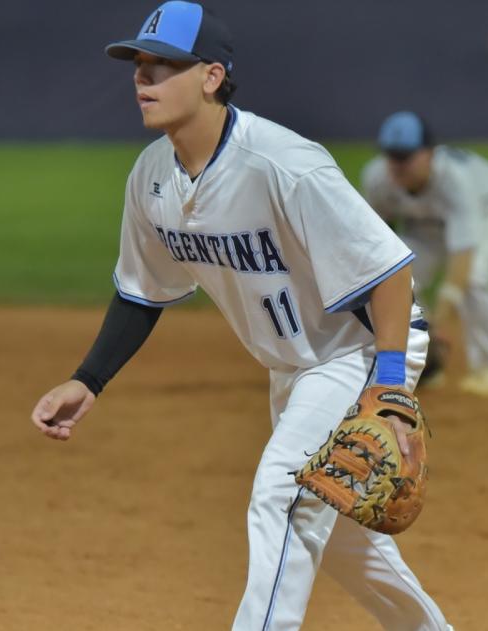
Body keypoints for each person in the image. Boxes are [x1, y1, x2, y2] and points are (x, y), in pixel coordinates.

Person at [28, 4, 452, 629]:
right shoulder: (151, 178)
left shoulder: (284, 164)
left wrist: (388, 383)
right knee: (334, 535)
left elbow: (388, 271)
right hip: (295, 368)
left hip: (361, 349)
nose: (144, 79)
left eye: (164, 65)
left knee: (281, 495)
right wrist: (87, 378)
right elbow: (141, 291)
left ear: (210, 76)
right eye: (139, 65)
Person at [361, 112, 488, 397]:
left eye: (406, 156)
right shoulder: (376, 177)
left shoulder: (454, 180)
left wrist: (439, 316)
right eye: (392, 156)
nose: (398, 165)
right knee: (398, 276)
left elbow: (462, 255)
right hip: (427, 221)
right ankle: (425, 365)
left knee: (474, 279)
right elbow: (379, 243)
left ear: (429, 153)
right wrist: (422, 326)